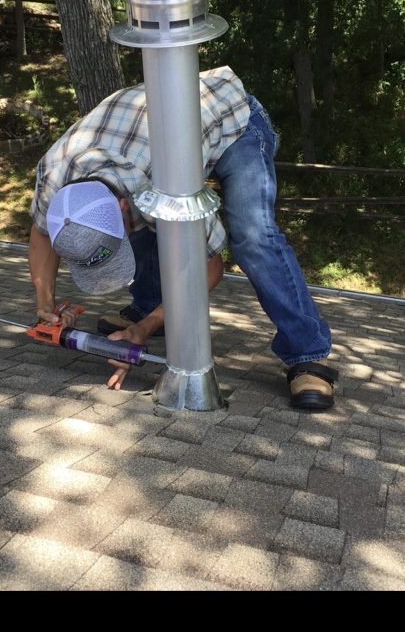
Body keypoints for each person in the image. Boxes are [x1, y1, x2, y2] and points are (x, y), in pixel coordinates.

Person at [28, 66, 337, 409]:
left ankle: (307, 352)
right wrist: (45, 302)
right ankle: (148, 304)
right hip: (161, 133)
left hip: (233, 118)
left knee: (253, 236)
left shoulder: (165, 185)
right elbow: (42, 233)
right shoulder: (55, 176)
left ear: (120, 203)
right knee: (144, 224)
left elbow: (208, 268)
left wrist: (143, 330)